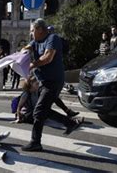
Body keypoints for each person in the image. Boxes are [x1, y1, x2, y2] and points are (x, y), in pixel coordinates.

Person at [20, 18, 78, 152]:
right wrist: (23, 53)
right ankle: (70, 123)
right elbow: (26, 48)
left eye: (32, 30)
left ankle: (35, 142)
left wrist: (32, 65)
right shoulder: (36, 41)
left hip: (54, 81)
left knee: (39, 111)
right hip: (43, 81)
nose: (31, 33)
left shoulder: (53, 39)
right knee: (44, 110)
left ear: (39, 29)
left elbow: (48, 57)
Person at [15, 76, 83, 131]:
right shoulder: (26, 93)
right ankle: (71, 122)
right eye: (36, 84)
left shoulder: (37, 91)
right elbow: (19, 107)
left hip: (35, 112)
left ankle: (70, 118)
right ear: (30, 85)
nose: (38, 85)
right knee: (46, 111)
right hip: (28, 115)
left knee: (52, 98)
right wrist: (19, 117)